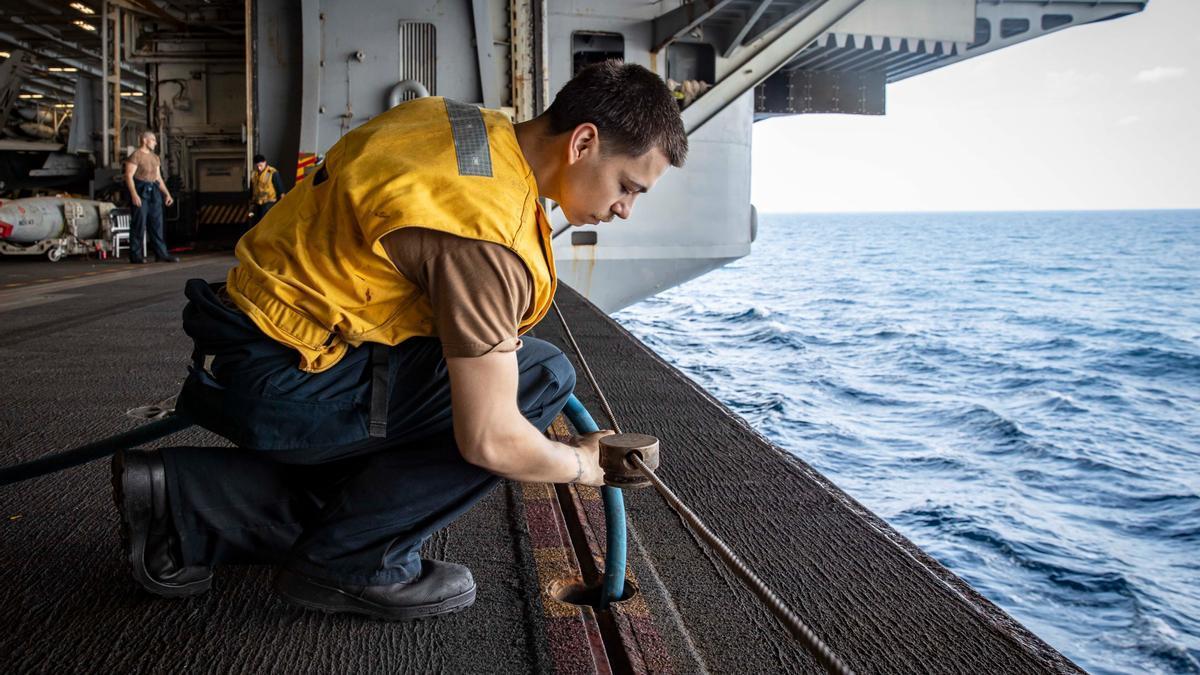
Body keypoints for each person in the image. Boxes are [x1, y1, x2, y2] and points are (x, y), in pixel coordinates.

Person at [110, 61, 687, 620]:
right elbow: (492, 441)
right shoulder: (485, 237)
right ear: (583, 142)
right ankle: (354, 563)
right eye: (627, 186)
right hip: (281, 379)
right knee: (540, 379)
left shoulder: (452, 121)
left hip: (242, 338)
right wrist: (583, 464)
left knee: (465, 407)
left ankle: (181, 499)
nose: (625, 209)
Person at [122, 130, 179, 264]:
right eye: (153, 140)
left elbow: (158, 178)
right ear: (145, 140)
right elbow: (128, 176)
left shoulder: (155, 157)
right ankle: (136, 256)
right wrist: (134, 194)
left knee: (157, 224)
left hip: (154, 191)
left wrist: (167, 194)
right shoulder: (136, 155)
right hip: (141, 191)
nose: (155, 143)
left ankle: (161, 254)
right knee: (139, 224)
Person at [249, 153, 285, 227]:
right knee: (256, 224)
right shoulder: (253, 174)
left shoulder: (272, 172)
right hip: (257, 204)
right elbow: (252, 190)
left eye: (260, 165)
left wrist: (282, 206)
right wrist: (251, 203)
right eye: (257, 166)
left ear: (265, 162)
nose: (259, 168)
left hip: (269, 204)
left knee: (266, 224)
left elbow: (280, 190)